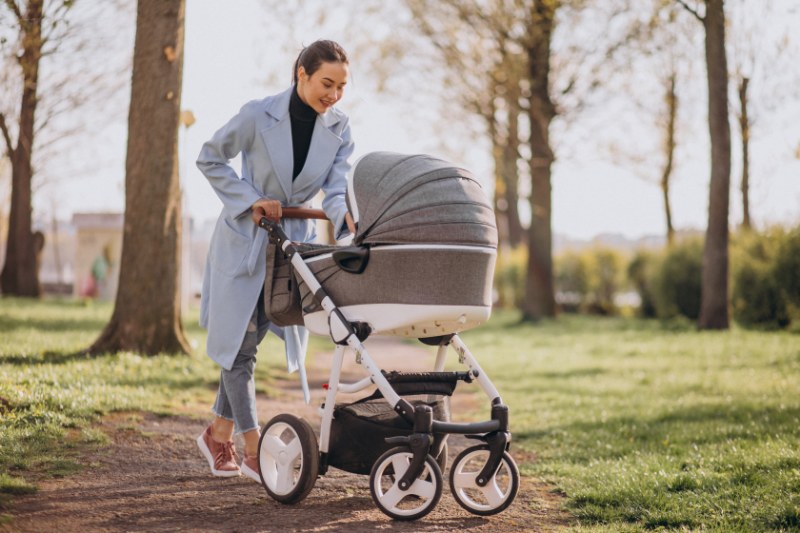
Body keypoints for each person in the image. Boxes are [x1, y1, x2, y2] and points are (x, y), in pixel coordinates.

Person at [195, 40, 356, 482]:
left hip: (290, 248)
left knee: (249, 343)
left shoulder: (341, 129)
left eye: (342, 87)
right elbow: (210, 157)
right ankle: (251, 446)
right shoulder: (256, 115)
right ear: (301, 74)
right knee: (240, 348)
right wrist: (250, 201)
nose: (334, 95)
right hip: (244, 242)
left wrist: (347, 225)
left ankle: (217, 431)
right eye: (327, 83)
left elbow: (337, 190)